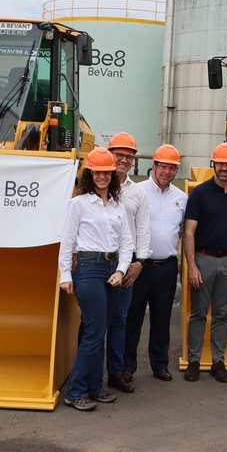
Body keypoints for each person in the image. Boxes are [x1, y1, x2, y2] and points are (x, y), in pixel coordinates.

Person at [58, 147, 135, 412]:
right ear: (90, 174)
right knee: (93, 331)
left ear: (113, 176)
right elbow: (67, 241)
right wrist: (65, 275)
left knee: (99, 330)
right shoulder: (78, 204)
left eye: (107, 173)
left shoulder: (118, 207)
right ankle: (76, 391)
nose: (102, 177)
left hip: (112, 268)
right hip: (89, 268)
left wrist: (121, 270)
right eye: (97, 172)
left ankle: (93, 387)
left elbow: (127, 243)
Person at [183, 143, 227, 383]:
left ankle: (218, 362)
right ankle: (194, 361)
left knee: (222, 315)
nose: (224, 168)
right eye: (220, 164)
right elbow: (189, 232)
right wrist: (192, 266)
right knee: (198, 314)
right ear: (214, 164)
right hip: (204, 260)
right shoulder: (200, 193)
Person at [124, 144, 186, 382]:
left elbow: (182, 232)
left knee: (162, 318)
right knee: (133, 317)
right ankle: (127, 366)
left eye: (172, 168)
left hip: (167, 266)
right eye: (163, 166)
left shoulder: (182, 198)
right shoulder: (136, 192)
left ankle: (160, 364)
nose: (167, 172)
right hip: (140, 265)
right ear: (154, 166)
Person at [105, 133, 151, 394]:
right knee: (93, 321)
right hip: (97, 260)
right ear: (110, 154)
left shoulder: (138, 192)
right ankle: (86, 371)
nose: (123, 160)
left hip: (127, 263)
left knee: (120, 320)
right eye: (119, 155)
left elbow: (143, 228)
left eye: (128, 156)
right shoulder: (95, 183)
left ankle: (115, 372)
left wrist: (139, 262)